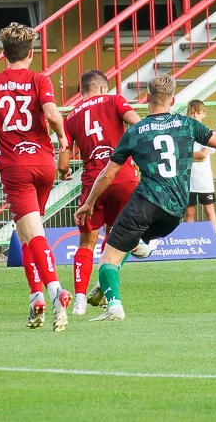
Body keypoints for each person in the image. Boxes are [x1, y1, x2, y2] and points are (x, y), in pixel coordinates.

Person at [75, 74, 216, 321]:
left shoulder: (135, 131)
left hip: (146, 201)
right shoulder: (187, 124)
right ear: (173, 100)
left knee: (108, 257)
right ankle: (127, 261)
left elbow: (107, 174)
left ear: (147, 98)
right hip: (174, 212)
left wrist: (89, 202)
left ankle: (114, 304)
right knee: (129, 241)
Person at [0, 22, 72, 332]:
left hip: (16, 166)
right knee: (28, 232)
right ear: (30, 54)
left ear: (4, 53)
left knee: (33, 233)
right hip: (43, 163)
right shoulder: (39, 79)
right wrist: (63, 141)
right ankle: (35, 298)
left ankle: (55, 291)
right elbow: (54, 115)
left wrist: (0, 120)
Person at [57, 70, 142, 316]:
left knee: (86, 243)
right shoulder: (114, 100)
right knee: (118, 237)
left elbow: (63, 162)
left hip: (92, 183)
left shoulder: (70, 116)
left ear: (81, 92)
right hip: (122, 177)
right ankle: (106, 289)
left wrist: (64, 172)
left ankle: (80, 301)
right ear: (104, 88)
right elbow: (136, 122)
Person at [184, 100, 216, 230]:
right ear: (188, 114)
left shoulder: (207, 133)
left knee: (209, 210)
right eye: (192, 113)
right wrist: (194, 155)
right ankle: (189, 239)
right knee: (189, 211)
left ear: (204, 114)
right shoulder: (185, 134)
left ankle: (214, 240)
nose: (194, 116)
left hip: (204, 181)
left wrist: (187, 155)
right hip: (189, 180)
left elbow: (203, 155)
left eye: (198, 113)